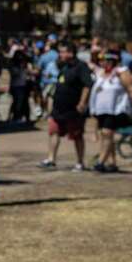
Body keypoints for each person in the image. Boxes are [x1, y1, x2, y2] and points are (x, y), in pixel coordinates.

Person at [38, 42, 92, 171]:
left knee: (77, 135)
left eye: (63, 52)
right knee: (53, 132)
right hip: (58, 109)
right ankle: (51, 159)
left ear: (71, 53)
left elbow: (87, 86)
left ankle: (80, 162)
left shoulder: (81, 67)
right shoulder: (64, 67)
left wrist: (82, 103)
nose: (60, 55)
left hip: (73, 109)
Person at [88, 49, 132, 173]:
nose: (103, 63)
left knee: (107, 133)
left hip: (115, 110)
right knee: (105, 135)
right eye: (101, 60)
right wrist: (93, 50)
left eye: (106, 60)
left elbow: (130, 89)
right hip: (101, 109)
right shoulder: (100, 72)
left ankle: (100, 161)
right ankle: (112, 163)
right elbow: (89, 63)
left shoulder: (121, 72)